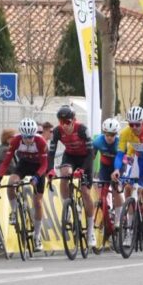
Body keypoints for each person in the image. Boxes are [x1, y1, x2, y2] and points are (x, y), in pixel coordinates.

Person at [0, 118, 49, 251]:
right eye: (26, 137)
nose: (29, 139)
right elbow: (6, 162)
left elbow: (44, 164)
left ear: (34, 134)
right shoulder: (16, 140)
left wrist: (36, 177)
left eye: (31, 136)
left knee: (38, 203)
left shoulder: (40, 141)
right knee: (12, 182)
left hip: (38, 167)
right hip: (24, 164)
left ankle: (36, 237)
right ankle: (13, 211)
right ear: (21, 134)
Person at [48, 105, 96, 245]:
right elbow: (51, 153)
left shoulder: (82, 129)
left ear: (74, 120)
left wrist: (82, 170)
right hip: (70, 156)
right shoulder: (57, 132)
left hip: (85, 158)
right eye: (61, 122)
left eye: (67, 122)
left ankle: (91, 232)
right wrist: (50, 170)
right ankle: (67, 206)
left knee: (85, 192)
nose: (64, 126)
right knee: (64, 175)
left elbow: (91, 153)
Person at [112, 106, 143, 223]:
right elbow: (120, 154)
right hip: (140, 160)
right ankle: (130, 225)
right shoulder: (125, 133)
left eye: (137, 124)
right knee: (129, 187)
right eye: (131, 124)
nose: (134, 127)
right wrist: (116, 170)